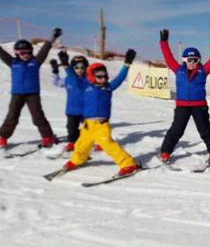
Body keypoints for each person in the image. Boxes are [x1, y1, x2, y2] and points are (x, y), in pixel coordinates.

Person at [63, 49, 139, 177]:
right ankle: (77, 160)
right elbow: (72, 78)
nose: (103, 79)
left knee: (108, 144)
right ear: (92, 76)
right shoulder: (84, 86)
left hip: (101, 125)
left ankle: (128, 164)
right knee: (82, 145)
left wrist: (127, 64)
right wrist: (66, 66)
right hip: (88, 125)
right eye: (99, 76)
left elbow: (120, 79)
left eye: (104, 76)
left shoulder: (108, 88)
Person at [159, 29, 210, 165]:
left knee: (205, 130)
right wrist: (164, 42)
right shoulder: (178, 70)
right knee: (176, 130)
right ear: (184, 60)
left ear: (199, 61)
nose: (192, 62)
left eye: (195, 60)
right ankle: (165, 152)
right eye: (189, 60)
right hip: (182, 106)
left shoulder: (203, 71)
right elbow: (168, 57)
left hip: (199, 106)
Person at [0, 28, 63, 148]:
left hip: (32, 94)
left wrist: (52, 39)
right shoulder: (13, 62)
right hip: (17, 94)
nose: (26, 55)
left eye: (28, 52)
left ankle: (48, 137)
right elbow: (1, 53)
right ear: (16, 53)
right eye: (22, 53)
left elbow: (44, 50)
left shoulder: (35, 62)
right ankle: (2, 137)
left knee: (38, 116)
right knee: (12, 117)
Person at [50, 51, 89, 152]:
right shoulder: (68, 80)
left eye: (82, 67)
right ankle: (72, 142)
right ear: (72, 68)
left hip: (87, 110)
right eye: (76, 67)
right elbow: (56, 82)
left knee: (90, 129)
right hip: (72, 110)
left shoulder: (89, 80)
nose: (79, 70)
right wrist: (55, 71)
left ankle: (92, 141)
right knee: (71, 129)